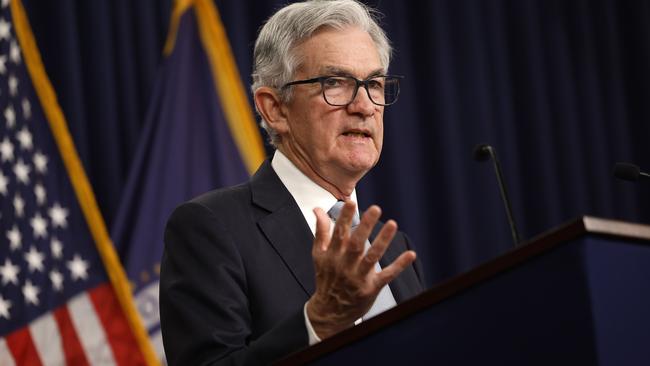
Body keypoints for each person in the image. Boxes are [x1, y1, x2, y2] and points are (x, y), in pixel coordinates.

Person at [159, 1, 424, 365]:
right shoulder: (211, 228)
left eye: (374, 84)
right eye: (335, 83)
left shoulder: (393, 247)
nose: (364, 105)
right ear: (275, 108)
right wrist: (317, 324)